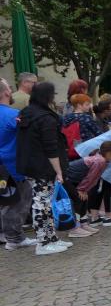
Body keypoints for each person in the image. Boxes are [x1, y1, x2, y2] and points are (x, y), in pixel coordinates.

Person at [15, 82, 71, 255]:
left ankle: (51, 238)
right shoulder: (46, 118)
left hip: (31, 165)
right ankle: (43, 242)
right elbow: (50, 147)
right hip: (43, 167)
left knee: (44, 202)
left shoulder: (27, 113)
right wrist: (58, 171)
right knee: (42, 204)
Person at [0, 78, 37, 251]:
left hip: (4, 166)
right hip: (12, 166)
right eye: (9, 87)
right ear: (6, 92)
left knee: (6, 201)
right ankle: (14, 238)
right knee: (18, 201)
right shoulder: (13, 115)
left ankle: (8, 235)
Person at [63, 141, 111, 237]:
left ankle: (83, 224)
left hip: (75, 180)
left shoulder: (104, 161)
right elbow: (90, 177)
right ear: (109, 153)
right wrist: (82, 189)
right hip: (67, 179)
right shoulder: (100, 161)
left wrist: (85, 190)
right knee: (78, 200)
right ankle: (74, 228)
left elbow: (94, 178)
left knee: (84, 200)